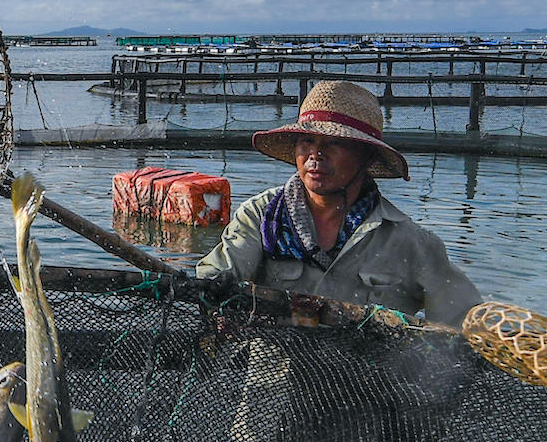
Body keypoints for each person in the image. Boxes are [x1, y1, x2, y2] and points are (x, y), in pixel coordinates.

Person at [197, 80, 481, 324]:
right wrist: (218, 297)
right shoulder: (262, 217)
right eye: (306, 141)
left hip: (366, 385)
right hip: (271, 382)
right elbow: (218, 275)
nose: (315, 155)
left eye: (334, 143)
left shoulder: (410, 242)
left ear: (367, 157)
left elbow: (463, 320)